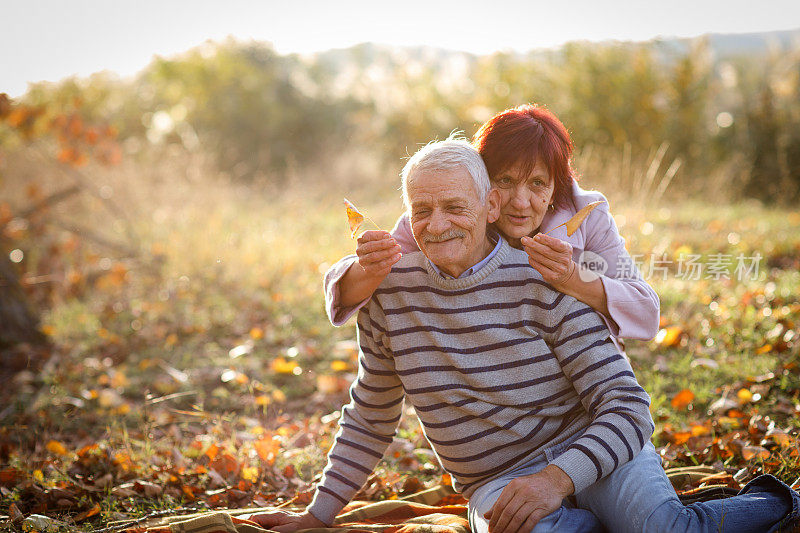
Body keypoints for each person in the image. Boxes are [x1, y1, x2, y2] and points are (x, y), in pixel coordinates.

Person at [250, 139, 799, 532]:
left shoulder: (548, 273)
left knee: (664, 527)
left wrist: (558, 479)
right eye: (422, 210)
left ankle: (777, 502)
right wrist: (317, 515)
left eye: (455, 207)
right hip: (495, 478)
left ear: (488, 208)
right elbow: (372, 413)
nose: (437, 224)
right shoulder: (391, 293)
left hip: (588, 446)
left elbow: (628, 406)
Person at [324, 104, 659, 353]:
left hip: (586, 367)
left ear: (557, 184)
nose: (520, 202)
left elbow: (646, 311)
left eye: (538, 183)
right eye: (505, 180)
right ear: (483, 184)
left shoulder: (587, 214)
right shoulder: (450, 218)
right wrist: (367, 267)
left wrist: (571, 277)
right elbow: (344, 290)